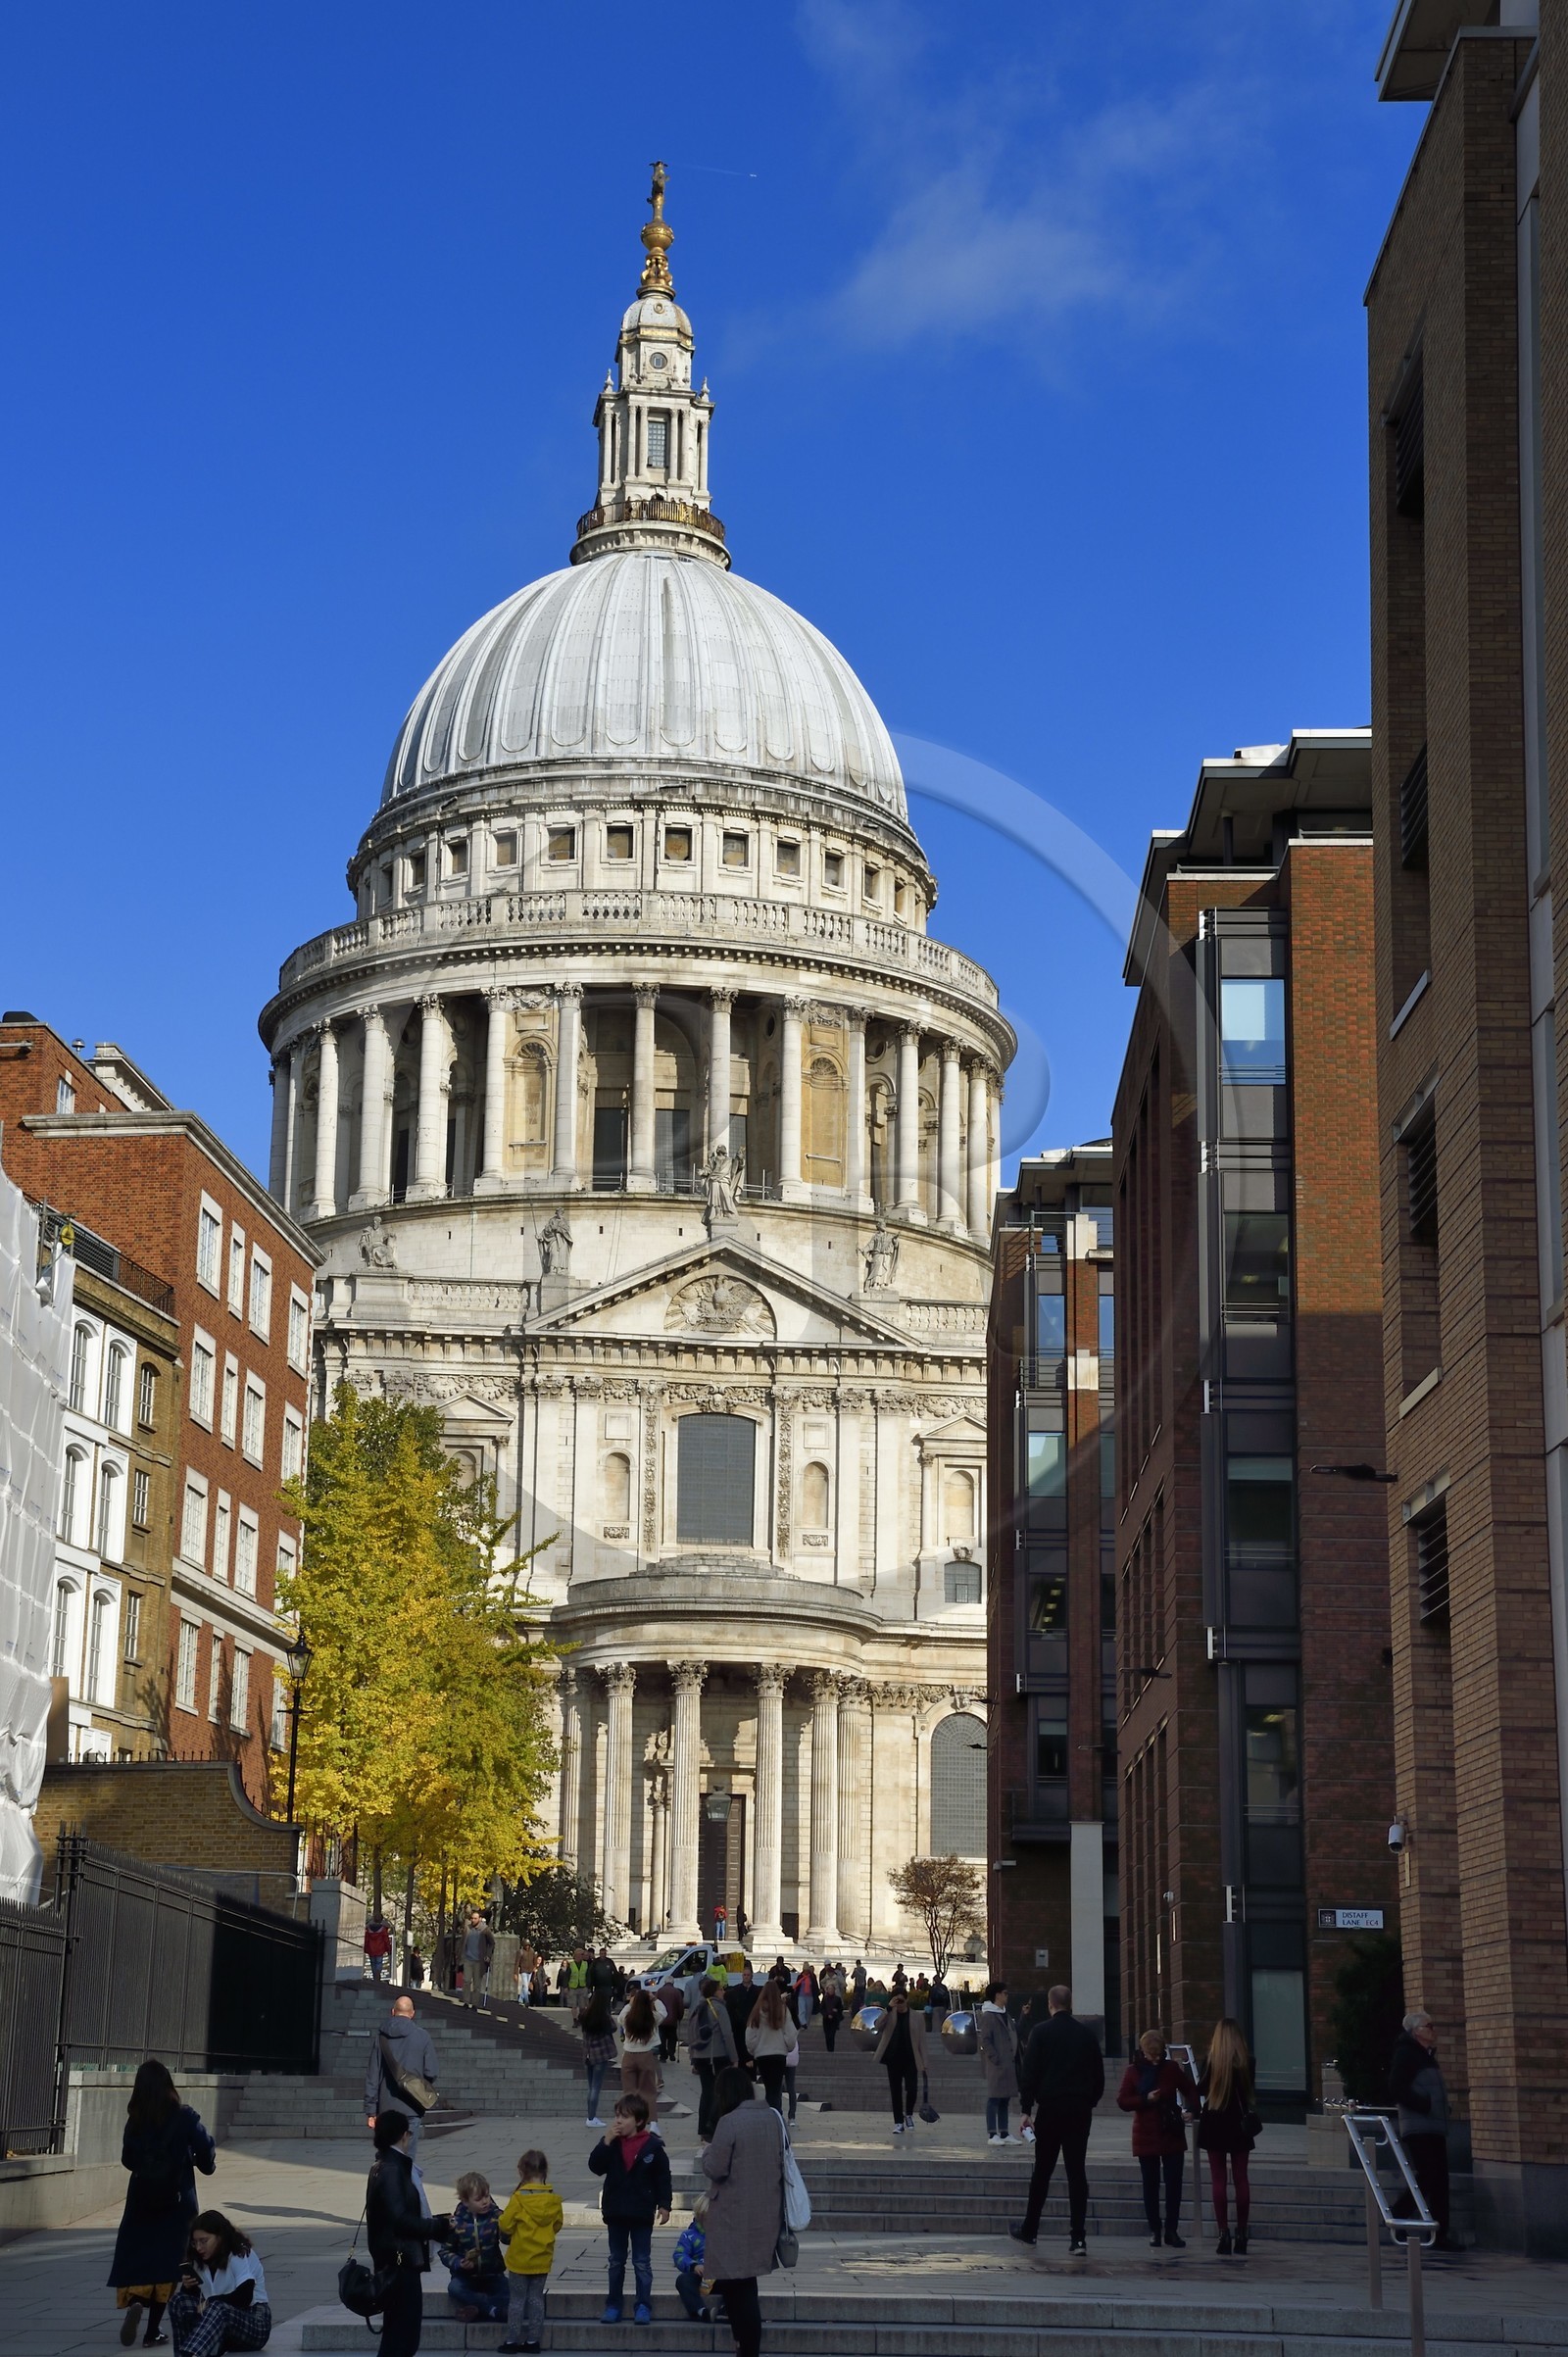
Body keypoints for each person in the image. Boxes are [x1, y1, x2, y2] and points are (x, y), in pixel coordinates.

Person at [110, 2061, 218, 2349]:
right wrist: (203, 2163)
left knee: (141, 2254)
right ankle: (152, 2331)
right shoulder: (184, 2116)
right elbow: (205, 2146)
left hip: (142, 2198)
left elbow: (127, 2159)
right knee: (171, 2262)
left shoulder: (136, 2119)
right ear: (169, 2085)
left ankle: (135, 2300)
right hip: (177, 2198)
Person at [1009, 1985, 1105, 2255]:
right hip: (1079, 2110)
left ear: (1051, 2004)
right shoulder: (1087, 2035)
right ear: (1070, 2004)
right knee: (1077, 2172)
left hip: (1050, 2108)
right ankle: (1078, 2238)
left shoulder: (1041, 2032)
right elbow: (1099, 2077)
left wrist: (1026, 2109)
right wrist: (1089, 2101)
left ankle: (1030, 2230)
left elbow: (1029, 2073)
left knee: (1042, 2171)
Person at [702, 2065, 784, 2357]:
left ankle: (747, 2349)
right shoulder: (772, 2118)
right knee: (746, 2282)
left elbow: (715, 2167)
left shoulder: (729, 2122)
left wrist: (707, 2151)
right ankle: (744, 2346)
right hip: (764, 2214)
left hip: (733, 2218)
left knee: (740, 2288)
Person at [366, 2109, 452, 2357]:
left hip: (394, 2261)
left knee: (399, 2335)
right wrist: (439, 2227)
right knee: (403, 2337)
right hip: (400, 2263)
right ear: (404, 2136)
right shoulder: (393, 2169)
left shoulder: (384, 2165)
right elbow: (401, 2220)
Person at [589, 2092, 672, 2326]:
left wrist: (665, 2205)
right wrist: (605, 2141)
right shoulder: (612, 2144)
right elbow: (595, 2166)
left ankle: (643, 2305)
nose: (618, 2121)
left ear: (638, 2120)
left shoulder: (653, 2147)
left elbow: (663, 2178)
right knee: (616, 2260)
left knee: (641, 2261)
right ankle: (613, 2304)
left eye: (624, 2117)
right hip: (616, 2211)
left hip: (641, 2212)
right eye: (617, 2115)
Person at [1118, 2030, 1199, 2249]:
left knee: (1174, 2183)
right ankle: (1155, 2229)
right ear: (1142, 2051)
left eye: (1158, 2055)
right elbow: (1123, 2101)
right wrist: (1145, 2099)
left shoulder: (1171, 2069)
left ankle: (1171, 2230)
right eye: (1150, 2055)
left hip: (1170, 2130)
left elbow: (1190, 2088)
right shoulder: (1133, 2071)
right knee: (1150, 2184)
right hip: (1146, 2133)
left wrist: (1192, 2109)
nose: (1154, 2059)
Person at [1390, 2009, 1458, 2249]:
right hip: (1419, 2126)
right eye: (1430, 2026)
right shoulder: (1407, 2054)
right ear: (1416, 2031)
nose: (1433, 2030)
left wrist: (1442, 2109)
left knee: (1440, 2179)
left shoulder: (1425, 2055)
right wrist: (1425, 2104)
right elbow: (1397, 2088)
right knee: (1428, 2173)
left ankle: (1440, 2234)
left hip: (1434, 2125)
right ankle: (1399, 2212)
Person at [167, 2211, 270, 2357]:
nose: (199, 2247)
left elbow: (245, 2296)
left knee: (218, 2307)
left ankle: (192, 2354)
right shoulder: (199, 2258)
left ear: (220, 2237)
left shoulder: (238, 2252)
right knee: (178, 2301)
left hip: (254, 2322)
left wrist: (210, 2302)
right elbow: (192, 2307)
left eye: (204, 2241)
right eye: (195, 2242)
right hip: (219, 2324)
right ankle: (183, 2353)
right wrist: (188, 2287)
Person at [1198, 2018, 1258, 2257]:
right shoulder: (1248, 2063)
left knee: (1218, 2179)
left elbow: (1200, 2090)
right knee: (1241, 2178)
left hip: (1214, 2121)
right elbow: (1249, 2092)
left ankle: (1223, 2233)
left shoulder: (1211, 2062)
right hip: (1239, 2124)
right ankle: (1242, 2233)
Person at [496, 2147, 564, 2354]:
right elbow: (557, 2224)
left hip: (520, 2257)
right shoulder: (553, 2199)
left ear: (521, 2172)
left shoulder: (518, 2199)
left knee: (517, 2300)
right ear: (545, 2172)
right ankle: (533, 2341)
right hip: (542, 2258)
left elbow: (505, 2225)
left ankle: (511, 2341)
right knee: (536, 2299)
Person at [366, 1995, 439, 2156]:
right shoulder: (422, 2036)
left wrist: (371, 2111)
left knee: (386, 2155)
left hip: (385, 2108)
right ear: (412, 2013)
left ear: (393, 2012)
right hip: (411, 2106)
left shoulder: (381, 2037)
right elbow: (431, 2071)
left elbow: (372, 2075)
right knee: (407, 2158)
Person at [438, 2170, 509, 2324]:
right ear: (465, 2201)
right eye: (478, 2199)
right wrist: (459, 2263)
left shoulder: (496, 2216)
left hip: (493, 2274)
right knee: (454, 2288)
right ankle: (491, 2309)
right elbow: (444, 2251)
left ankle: (479, 2307)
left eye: (487, 2196)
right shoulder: (456, 2223)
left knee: (511, 2291)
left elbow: (507, 2239)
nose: (484, 2202)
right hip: (466, 2277)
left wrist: (507, 2227)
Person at [691, 1974, 740, 2142]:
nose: (723, 1992)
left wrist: (693, 2058)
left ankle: (702, 2128)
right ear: (715, 1991)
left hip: (700, 2056)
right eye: (721, 1989)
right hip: (717, 2055)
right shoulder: (719, 2007)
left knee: (706, 2092)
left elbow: (692, 2034)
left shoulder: (699, 2008)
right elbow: (727, 2034)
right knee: (719, 2092)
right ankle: (713, 2125)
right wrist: (734, 2057)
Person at [873, 1987, 926, 2136]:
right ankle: (898, 2122)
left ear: (907, 1999)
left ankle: (908, 2113)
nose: (900, 2004)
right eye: (897, 2000)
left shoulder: (916, 2016)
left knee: (912, 2088)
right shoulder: (889, 2014)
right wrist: (888, 2008)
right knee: (895, 2091)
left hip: (911, 2057)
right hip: (893, 2057)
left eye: (902, 2000)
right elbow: (877, 2026)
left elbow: (922, 2041)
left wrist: (925, 2062)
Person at [977, 1982, 1020, 2144]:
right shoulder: (989, 2015)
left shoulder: (1004, 2013)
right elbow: (985, 2040)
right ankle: (992, 2134)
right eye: (1005, 1993)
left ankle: (1004, 2132)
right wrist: (995, 2058)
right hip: (997, 2063)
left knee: (1005, 2098)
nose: (1007, 1996)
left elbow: (1014, 2032)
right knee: (994, 2098)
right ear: (997, 1995)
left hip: (1008, 2062)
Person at [616, 1986, 667, 2118]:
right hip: (646, 2054)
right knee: (648, 2091)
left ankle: (629, 2120)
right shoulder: (652, 2017)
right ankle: (653, 2123)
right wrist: (654, 1999)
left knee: (628, 2092)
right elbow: (664, 2012)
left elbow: (620, 2017)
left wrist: (630, 2003)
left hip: (628, 2054)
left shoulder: (627, 2017)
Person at [745, 1980, 793, 2115]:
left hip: (762, 2055)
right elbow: (790, 2034)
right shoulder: (783, 2010)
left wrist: (754, 2049)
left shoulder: (756, 2011)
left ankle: (770, 2113)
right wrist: (787, 2046)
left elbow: (750, 2035)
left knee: (768, 2088)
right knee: (776, 2088)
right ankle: (776, 2114)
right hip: (778, 2054)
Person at [672, 2193, 716, 2323]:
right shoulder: (689, 2235)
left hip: (720, 2274)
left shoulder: (724, 2235)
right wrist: (693, 2265)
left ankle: (727, 2309)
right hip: (699, 2274)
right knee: (683, 2281)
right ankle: (700, 2310)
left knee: (738, 2281)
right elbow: (679, 2255)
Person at [580, 1988, 618, 2129]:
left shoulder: (585, 2015)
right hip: (601, 2055)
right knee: (596, 2086)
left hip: (588, 2054)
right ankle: (591, 2117)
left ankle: (590, 2116)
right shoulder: (603, 2016)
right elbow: (613, 2028)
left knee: (591, 2087)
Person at [724, 1963, 760, 2070]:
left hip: (752, 2024)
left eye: (748, 1975)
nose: (746, 1977)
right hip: (738, 2026)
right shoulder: (735, 1991)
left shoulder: (757, 1991)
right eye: (744, 1975)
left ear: (751, 1976)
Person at [462, 1911, 496, 2009]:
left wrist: (488, 1955)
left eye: (475, 1918)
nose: (473, 1920)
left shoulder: (485, 1930)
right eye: (472, 1918)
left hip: (479, 1960)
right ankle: (466, 2002)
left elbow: (492, 1943)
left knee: (477, 1983)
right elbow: (463, 1941)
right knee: (466, 1981)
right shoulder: (468, 1928)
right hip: (468, 1958)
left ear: (480, 1919)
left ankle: (475, 2004)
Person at [659, 1975, 685, 2060]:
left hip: (661, 2019)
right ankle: (671, 2051)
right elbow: (680, 2006)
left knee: (662, 2038)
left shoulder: (660, 1991)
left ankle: (663, 2055)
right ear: (673, 1982)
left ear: (665, 1982)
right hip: (673, 2019)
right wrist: (680, 2016)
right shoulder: (677, 1992)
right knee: (672, 2037)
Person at [365, 1917, 393, 1984]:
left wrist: (365, 1948)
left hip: (371, 1949)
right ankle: (377, 1977)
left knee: (373, 1963)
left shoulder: (368, 1930)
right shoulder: (383, 1930)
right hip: (380, 1949)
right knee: (379, 1963)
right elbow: (386, 1940)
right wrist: (388, 1949)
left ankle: (375, 1977)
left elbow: (366, 1940)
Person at [820, 1975, 845, 2052]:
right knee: (827, 2035)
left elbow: (840, 2008)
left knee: (832, 2035)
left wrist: (836, 2011)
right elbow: (822, 2008)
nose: (830, 1990)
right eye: (829, 1989)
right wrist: (826, 2014)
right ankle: (828, 2048)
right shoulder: (825, 1999)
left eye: (832, 1989)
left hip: (834, 2019)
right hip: (826, 2019)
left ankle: (831, 2049)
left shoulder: (837, 1999)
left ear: (834, 1990)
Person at [566, 1947, 591, 2020]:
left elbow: (588, 1975)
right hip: (573, 1987)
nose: (582, 1956)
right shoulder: (571, 1965)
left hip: (583, 1987)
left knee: (582, 2006)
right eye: (581, 1954)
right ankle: (575, 2019)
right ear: (577, 1955)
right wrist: (565, 1987)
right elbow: (567, 1976)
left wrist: (588, 1986)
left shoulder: (585, 1964)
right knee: (574, 2005)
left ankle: (581, 2018)